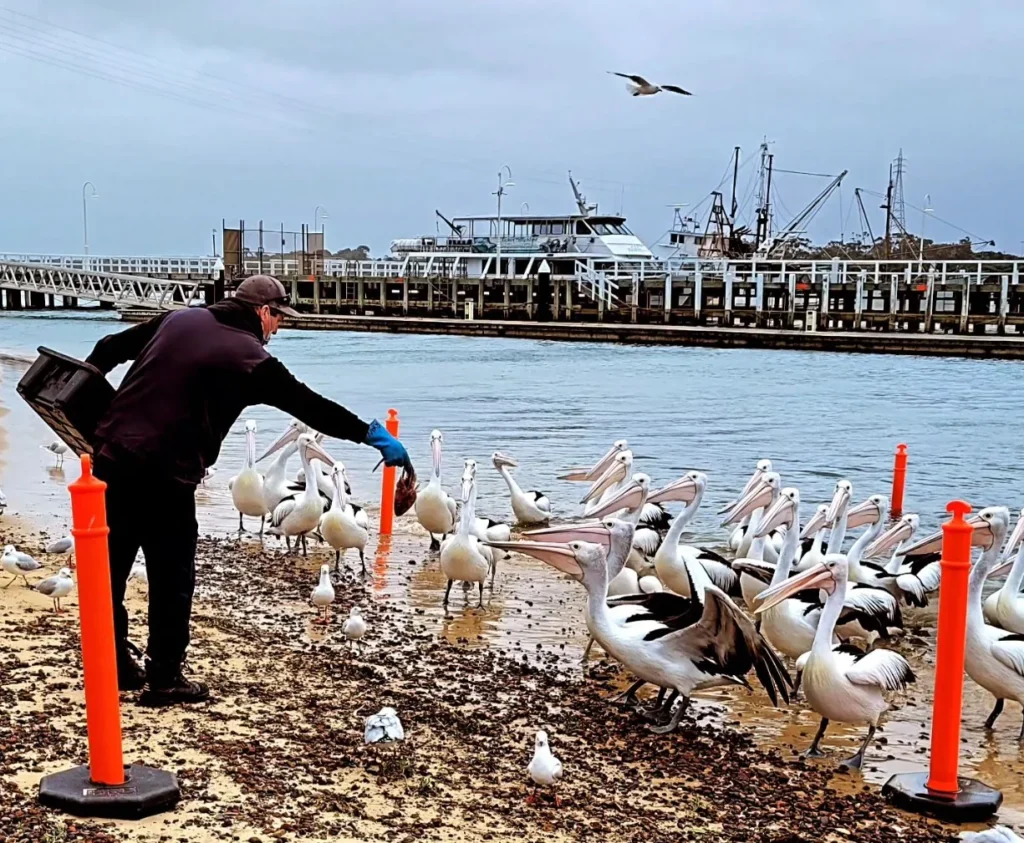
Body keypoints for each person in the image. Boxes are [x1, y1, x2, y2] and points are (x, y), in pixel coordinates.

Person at [85, 275, 412, 707]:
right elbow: (310, 405)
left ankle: (112, 663)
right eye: (279, 318)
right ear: (263, 312)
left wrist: (87, 399)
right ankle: (164, 679)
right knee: (172, 577)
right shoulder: (249, 359)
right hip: (168, 474)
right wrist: (370, 435)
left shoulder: (177, 320)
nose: (278, 329)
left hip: (111, 459)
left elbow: (108, 349)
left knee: (109, 570)